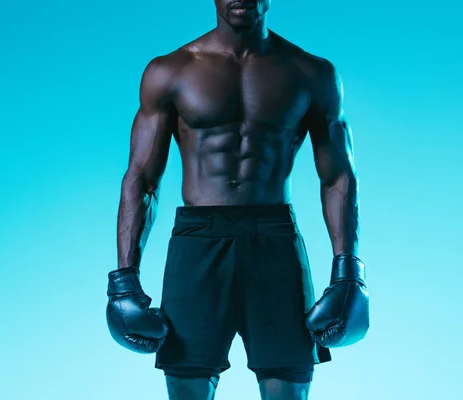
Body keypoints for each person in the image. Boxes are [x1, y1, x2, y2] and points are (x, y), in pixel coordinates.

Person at [105, 1, 370, 399]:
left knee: (288, 386)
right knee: (188, 387)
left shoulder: (311, 73)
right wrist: (123, 280)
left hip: (275, 239)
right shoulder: (171, 71)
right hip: (197, 241)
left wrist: (348, 271)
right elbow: (142, 180)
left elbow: (337, 176)